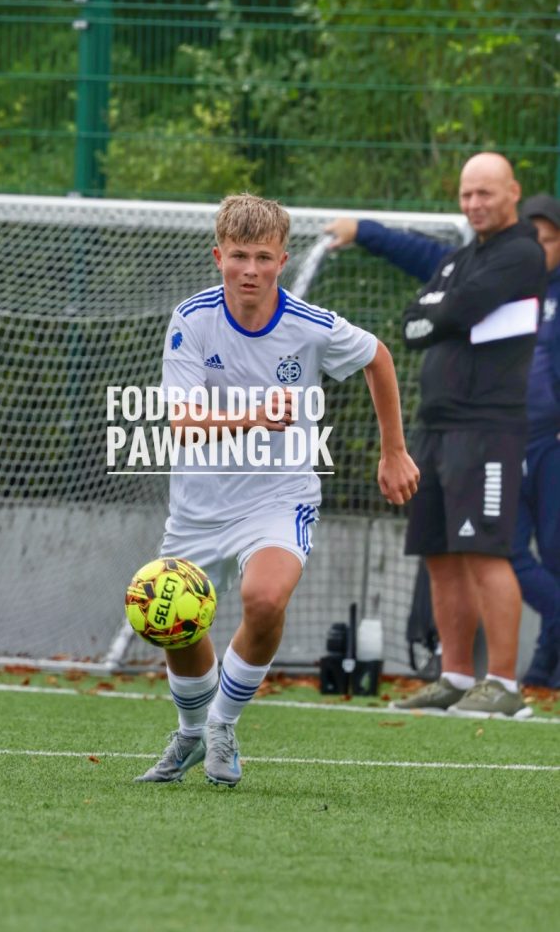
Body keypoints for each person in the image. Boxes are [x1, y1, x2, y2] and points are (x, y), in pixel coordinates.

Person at [136, 193, 419, 786]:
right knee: (172, 618)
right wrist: (252, 417)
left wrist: (393, 451)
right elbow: (182, 423)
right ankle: (190, 732)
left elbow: (378, 356)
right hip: (199, 508)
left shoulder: (309, 326)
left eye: (263, 257)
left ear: (282, 262)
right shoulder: (192, 319)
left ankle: (222, 726)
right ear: (218, 256)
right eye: (239, 256)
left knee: (265, 600)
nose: (250, 270)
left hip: (279, 499)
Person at [325, 153, 549, 716]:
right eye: (467, 194)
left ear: (513, 192)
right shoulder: (460, 257)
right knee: (439, 553)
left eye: (485, 193)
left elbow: (450, 314)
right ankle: (454, 675)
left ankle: (504, 686)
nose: (474, 204)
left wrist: (441, 313)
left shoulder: (523, 253)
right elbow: (414, 320)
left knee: (485, 552)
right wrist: (440, 312)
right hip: (436, 427)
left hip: (487, 427)